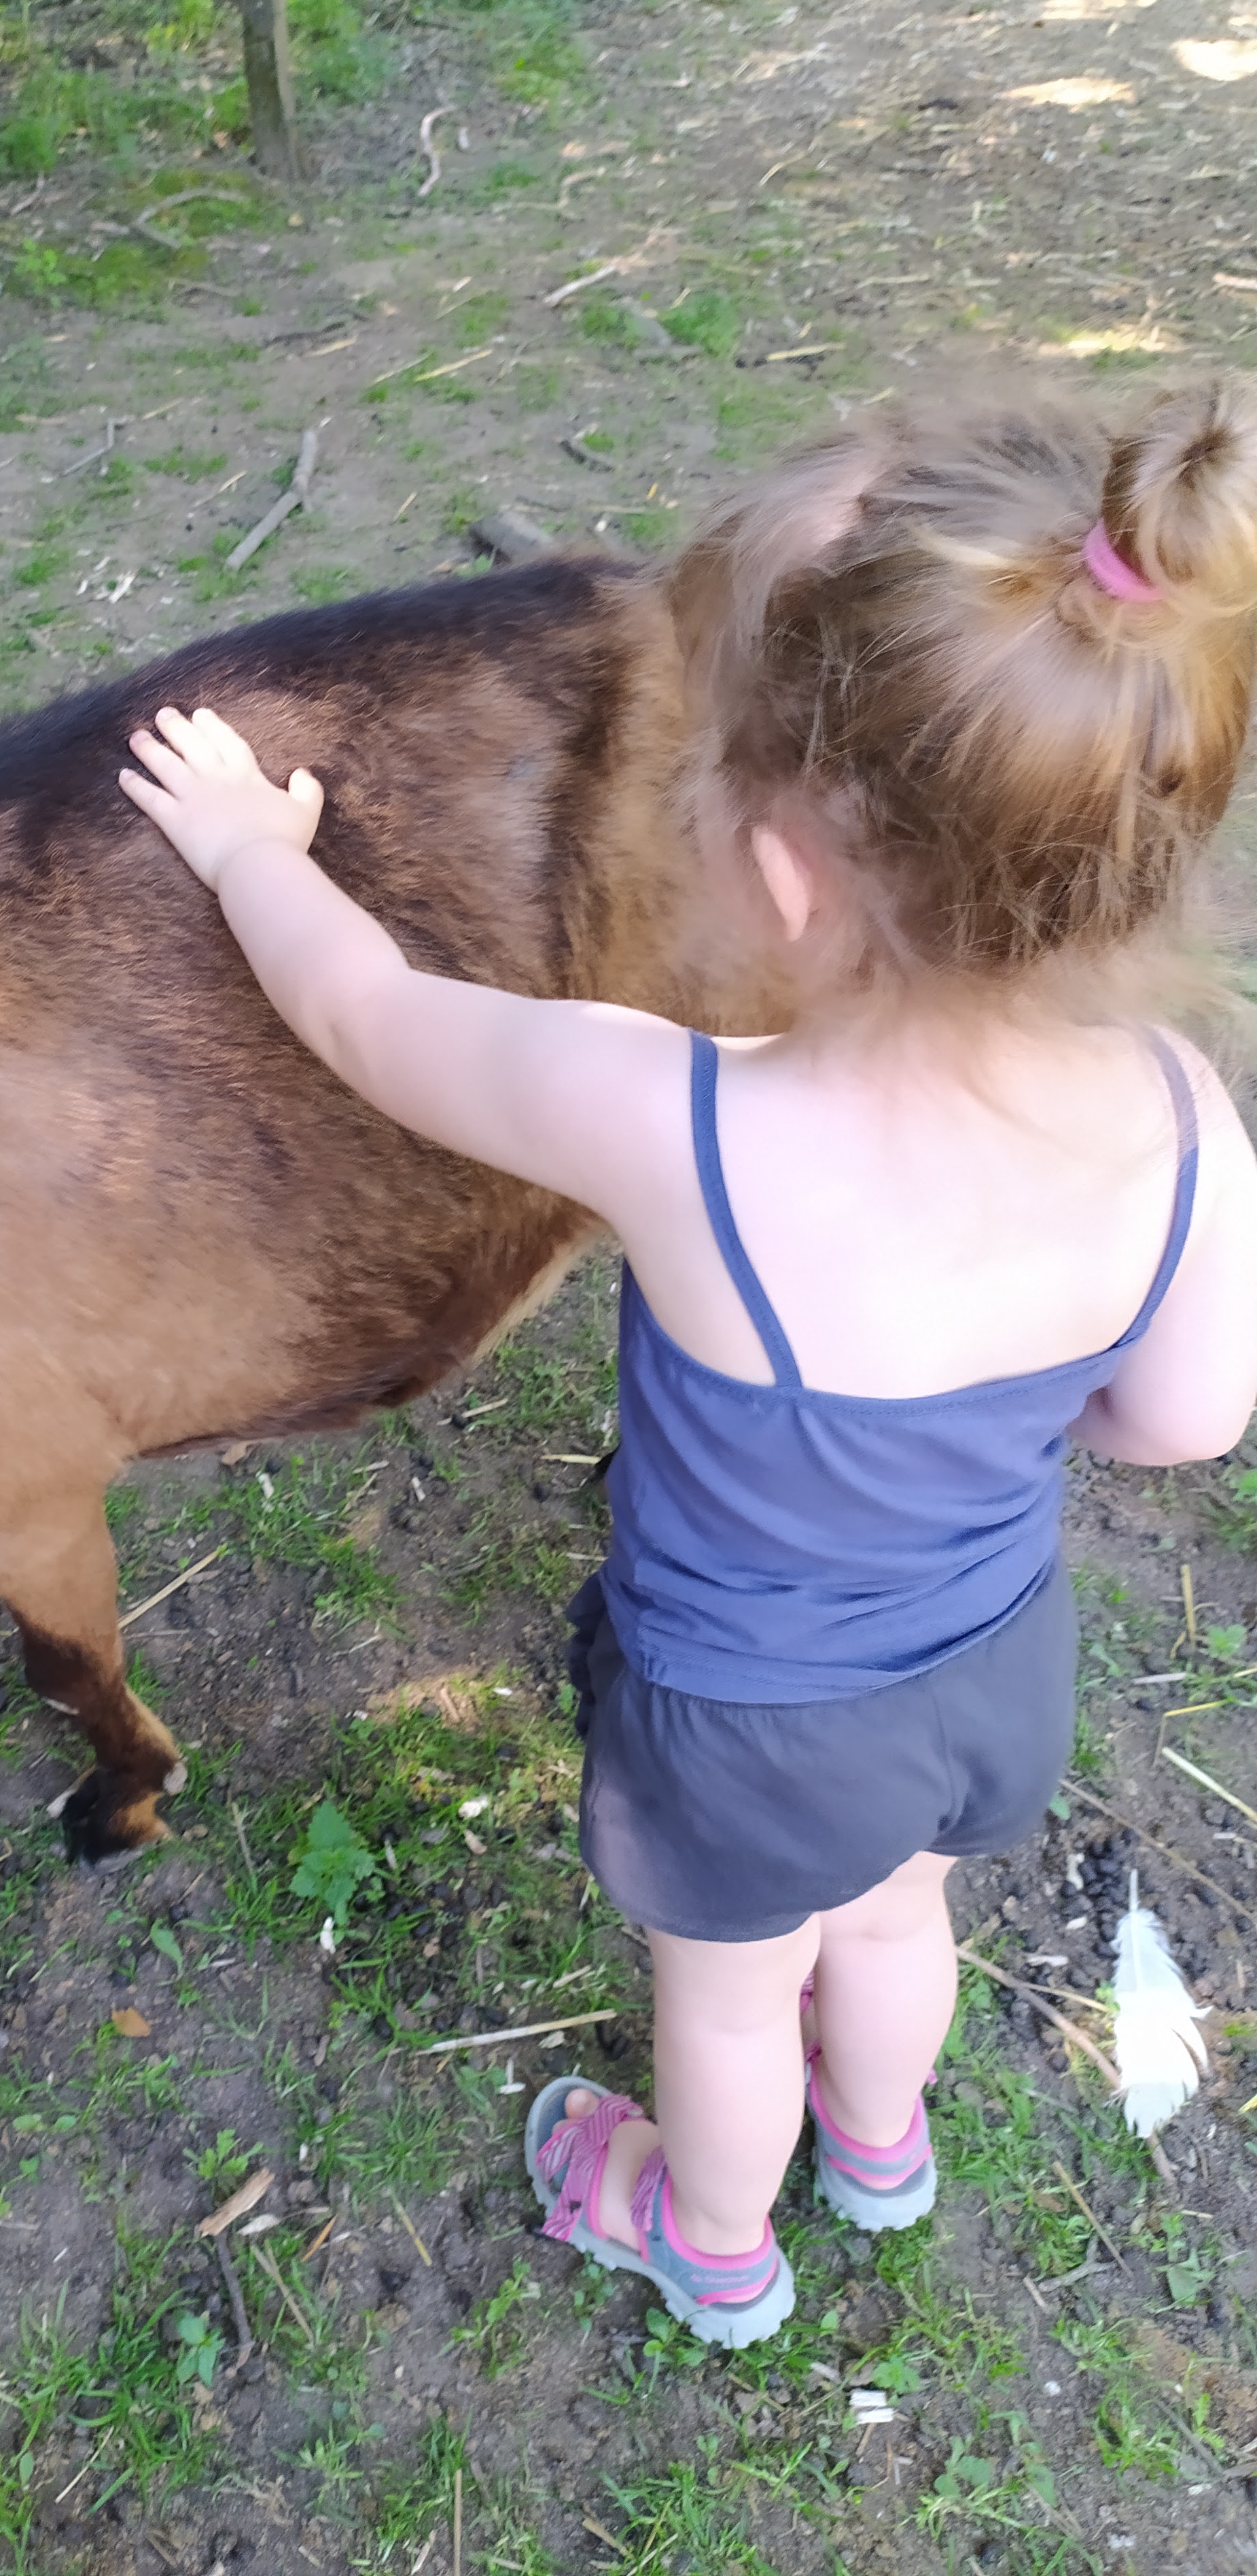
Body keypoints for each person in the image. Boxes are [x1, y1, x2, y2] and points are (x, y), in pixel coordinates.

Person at [118, 381, 1257, 2347]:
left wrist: (245, 852)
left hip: (750, 1731)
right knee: (898, 1912)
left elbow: (370, 1016)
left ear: (791, 875)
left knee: (729, 2000)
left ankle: (710, 2237)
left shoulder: (684, 1123)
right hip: (990, 1667)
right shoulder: (1178, 1109)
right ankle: (881, 2148)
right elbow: (1187, 1417)